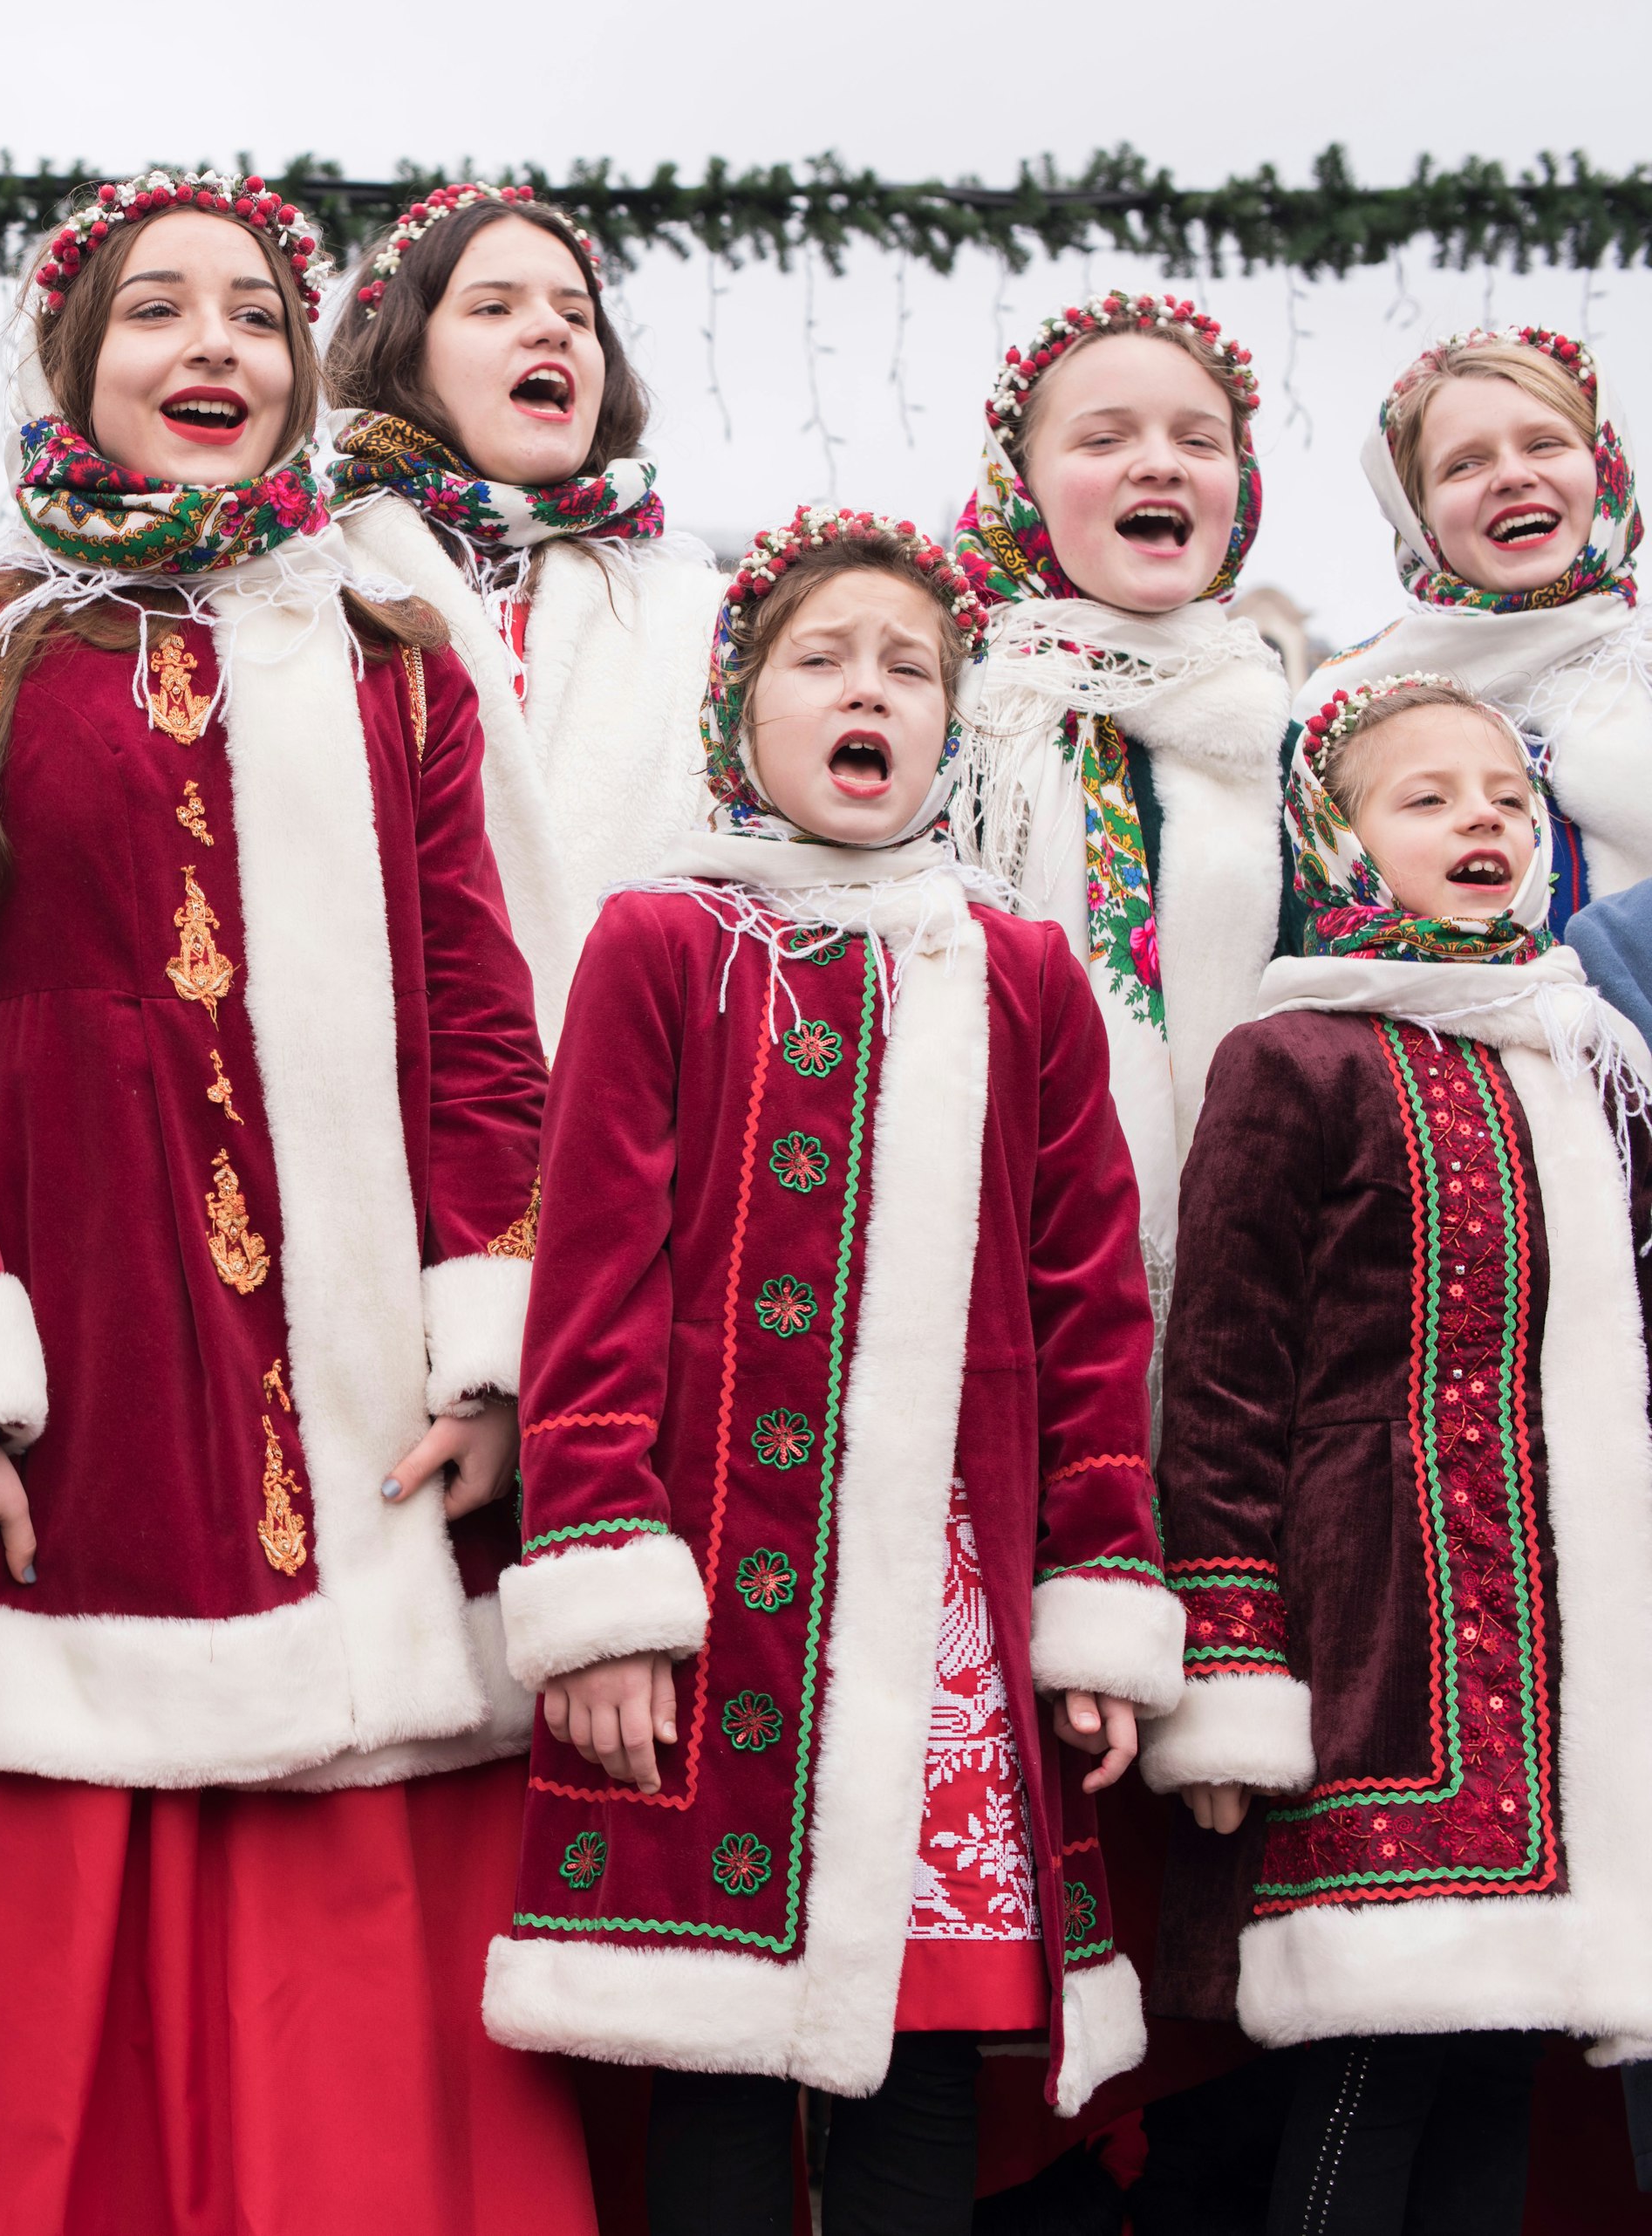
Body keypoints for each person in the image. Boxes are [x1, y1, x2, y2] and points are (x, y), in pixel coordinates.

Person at [0, 168, 590, 2234]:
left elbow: (476, 1024)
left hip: (360, 1414)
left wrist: (496, 1351)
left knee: (353, 1978)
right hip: (83, 1391)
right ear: (74, 364)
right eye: (156, 313)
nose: (211, 352)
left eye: (252, 315)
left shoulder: (387, 655)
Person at [484, 508, 1178, 2233]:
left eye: (911, 668)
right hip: (726, 1596)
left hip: (948, 1612)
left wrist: (1094, 1582)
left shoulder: (1020, 968)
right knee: (720, 2055)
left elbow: (1090, 1304)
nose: (870, 691)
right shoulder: (665, 938)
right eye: (822, 659)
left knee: (924, 2060)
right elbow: (590, 1281)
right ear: (741, 715)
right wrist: (606, 1594)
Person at [1143, 671, 1652, 2233]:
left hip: (1563, 1666)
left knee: (1496, 2063)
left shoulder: (1586, 1056)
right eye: (1425, 799)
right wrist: (1231, 1656)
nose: (1480, 821)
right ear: (1339, 840)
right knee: (1379, 2057)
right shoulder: (1295, 1051)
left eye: (1504, 796)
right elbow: (1222, 1379)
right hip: (1380, 1643)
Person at [950, 293, 1293, 1324]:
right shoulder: (957, 709)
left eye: (1200, 439)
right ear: (1019, 484)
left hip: (1249, 1286)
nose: (1161, 463)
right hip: (991, 1253)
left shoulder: (1287, 741)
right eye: (1105, 438)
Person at [324, 182, 724, 1041]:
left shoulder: (704, 612)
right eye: (494, 306)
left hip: (635, 1120)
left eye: (577, 315)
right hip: (404, 1097)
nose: (551, 330)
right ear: (403, 349)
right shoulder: (306, 581)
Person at [1306, 328, 1646, 931]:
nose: (1513, 475)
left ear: (1605, 467)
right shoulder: (1343, 711)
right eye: (1465, 463)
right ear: (1418, 516)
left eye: (1545, 444)